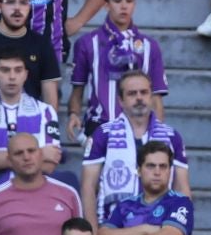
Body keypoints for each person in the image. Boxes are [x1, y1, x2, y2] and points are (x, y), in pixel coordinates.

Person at [80, 70, 188, 225]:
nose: (139, 98)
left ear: (151, 97)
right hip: (114, 227)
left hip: (161, 226)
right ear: (121, 100)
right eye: (132, 93)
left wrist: (181, 230)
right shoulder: (103, 134)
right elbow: (88, 186)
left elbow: (182, 189)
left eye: (144, 92)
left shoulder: (171, 136)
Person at [67, 0, 165, 141]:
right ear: (106, 4)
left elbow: (156, 97)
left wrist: (158, 134)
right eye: (117, 0)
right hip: (98, 127)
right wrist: (73, 114)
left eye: (129, 0)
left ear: (135, 4)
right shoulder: (86, 43)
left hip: (140, 129)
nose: (124, 6)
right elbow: (78, 89)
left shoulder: (150, 46)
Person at [0, 48, 59, 204]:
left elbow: (49, 165)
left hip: (34, 199)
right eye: (5, 70)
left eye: (18, 70)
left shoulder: (46, 111)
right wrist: (38, 154)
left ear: (26, 74)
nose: (12, 77)